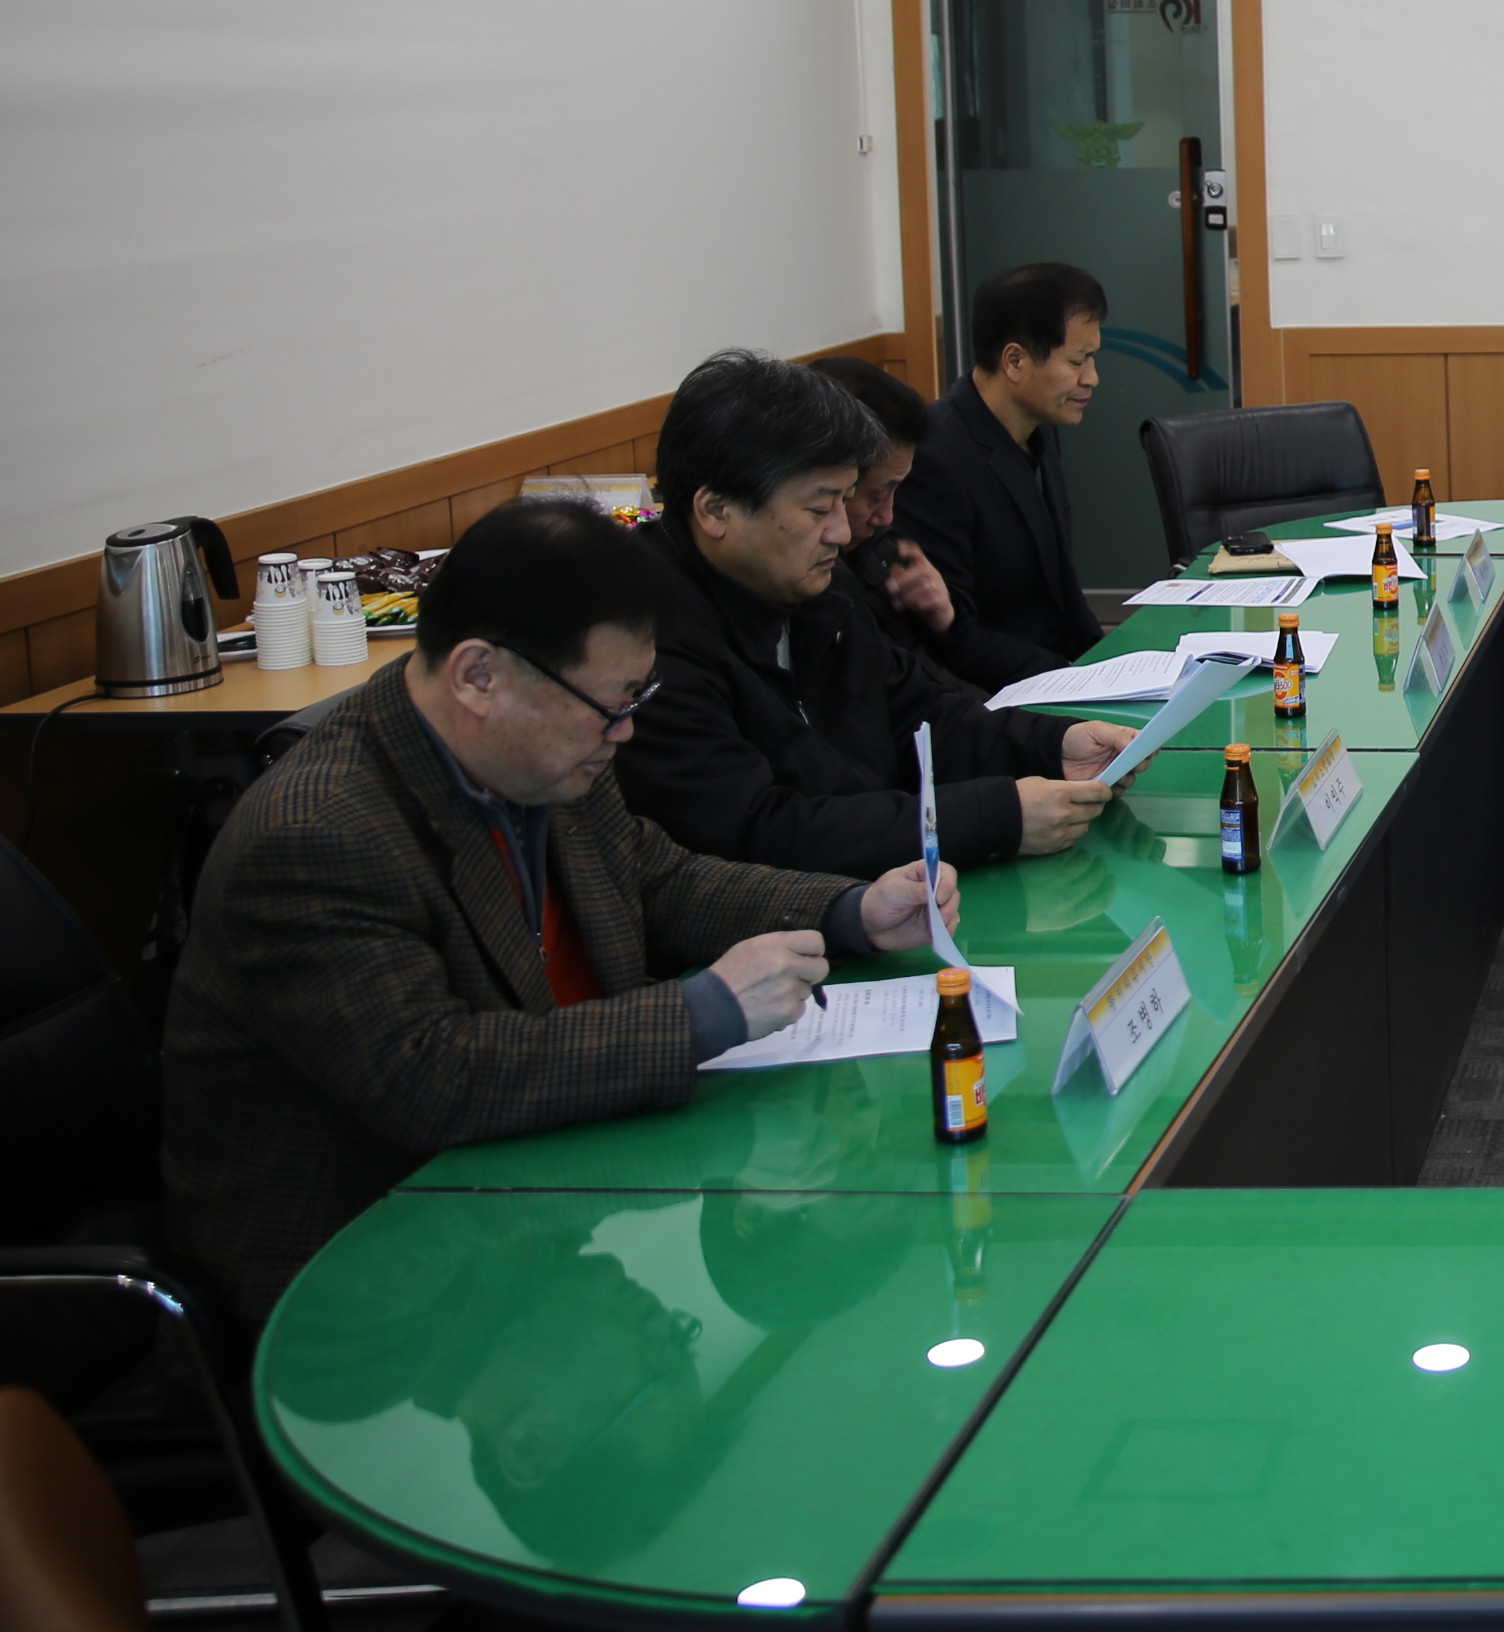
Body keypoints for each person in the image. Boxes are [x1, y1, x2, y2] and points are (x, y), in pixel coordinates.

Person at [160, 495, 962, 1319]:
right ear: (478, 677)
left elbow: (656, 879)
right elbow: (433, 1079)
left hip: (542, 1197)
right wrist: (703, 1014)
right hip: (369, 1291)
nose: (624, 734)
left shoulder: (539, 747)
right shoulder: (318, 834)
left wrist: (848, 910)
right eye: (612, 706)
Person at [615, 351, 1129, 875]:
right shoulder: (642, 644)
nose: (842, 532)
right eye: (819, 509)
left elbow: (916, 709)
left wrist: (1050, 746)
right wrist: (994, 815)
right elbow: (757, 831)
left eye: (845, 501)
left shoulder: (818, 586)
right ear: (716, 510)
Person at [894, 263, 1109, 687]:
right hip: (997, 695)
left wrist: (1105, 663)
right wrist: (1068, 677)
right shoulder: (934, 456)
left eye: (1092, 358)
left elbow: (1061, 588)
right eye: (1077, 361)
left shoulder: (1040, 428)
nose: (1092, 378)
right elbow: (950, 635)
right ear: (1015, 361)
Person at [808, 353, 961, 668]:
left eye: (896, 491)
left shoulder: (883, 550)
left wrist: (943, 621)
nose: (887, 516)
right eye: (876, 495)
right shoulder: (807, 579)